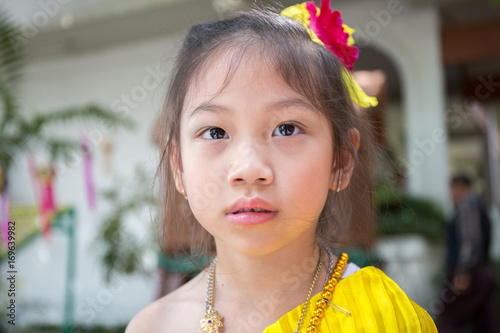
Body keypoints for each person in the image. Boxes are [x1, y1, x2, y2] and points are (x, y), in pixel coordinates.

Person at [126, 1, 437, 332]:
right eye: (215, 132)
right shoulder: (153, 326)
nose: (248, 168)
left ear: (341, 161)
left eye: (287, 129)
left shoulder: (388, 318)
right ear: (179, 168)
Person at [436, 174, 498, 332]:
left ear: (460, 187)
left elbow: (470, 239)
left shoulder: (467, 205)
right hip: (484, 273)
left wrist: (463, 271)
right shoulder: (478, 204)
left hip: (471, 274)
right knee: (485, 323)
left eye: (452, 189)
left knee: (447, 320)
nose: (451, 194)